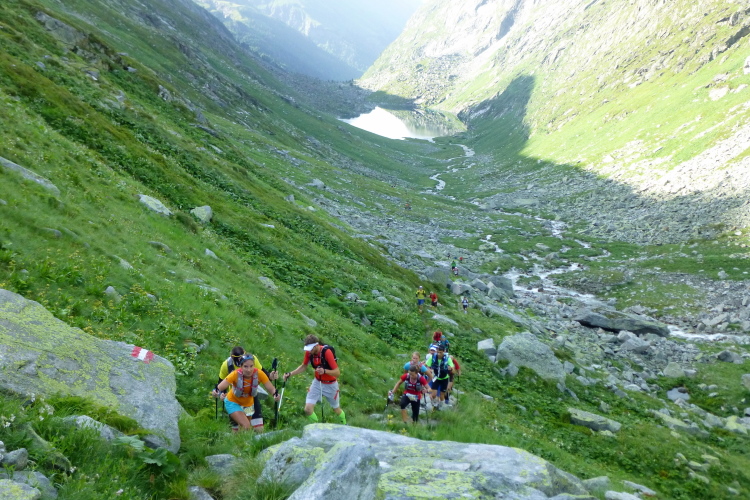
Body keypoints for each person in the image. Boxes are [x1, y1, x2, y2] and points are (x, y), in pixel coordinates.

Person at [283, 335, 346, 425]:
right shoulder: (309, 353)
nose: (309, 351)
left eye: (311, 349)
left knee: (336, 409)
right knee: (307, 409)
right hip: (317, 382)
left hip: (331, 385)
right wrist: (290, 374)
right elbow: (304, 366)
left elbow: (337, 373)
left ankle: (344, 424)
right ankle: (315, 427)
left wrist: (324, 371)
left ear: (316, 345)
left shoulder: (327, 352)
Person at [212, 354, 280, 431]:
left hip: (248, 404)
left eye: (251, 366)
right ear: (241, 366)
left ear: (254, 365)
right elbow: (219, 387)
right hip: (233, 402)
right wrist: (216, 392)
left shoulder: (259, 374)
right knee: (246, 426)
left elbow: (270, 388)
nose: (249, 370)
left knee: (241, 430)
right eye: (245, 366)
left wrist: (275, 395)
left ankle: (235, 439)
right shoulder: (235, 374)